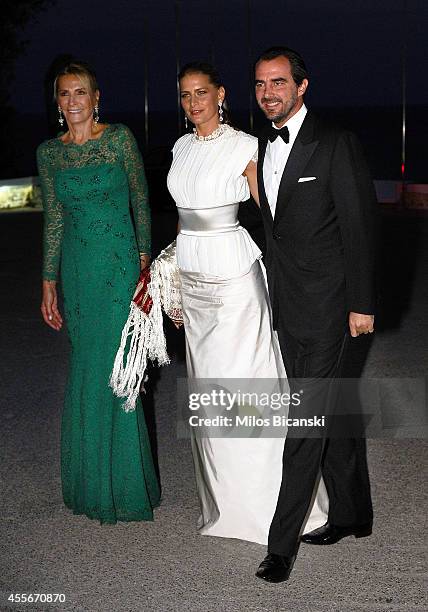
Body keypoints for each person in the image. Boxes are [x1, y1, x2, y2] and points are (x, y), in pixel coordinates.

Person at [167, 61, 328, 544]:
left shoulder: (244, 145)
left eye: (201, 93)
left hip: (235, 278)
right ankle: (228, 506)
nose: (193, 102)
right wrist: (171, 278)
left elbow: (276, 208)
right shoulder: (179, 147)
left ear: (220, 94)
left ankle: (274, 507)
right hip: (192, 274)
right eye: (184, 95)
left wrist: (314, 259)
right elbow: (182, 220)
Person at [253, 46, 376, 582]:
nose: (268, 93)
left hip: (330, 306)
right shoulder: (262, 145)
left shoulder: (335, 143)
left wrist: (362, 303)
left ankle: (281, 547)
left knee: (303, 419)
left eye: (278, 82)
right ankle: (352, 515)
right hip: (289, 303)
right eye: (260, 84)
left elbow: (359, 227)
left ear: (302, 87)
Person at [37, 60, 160, 523]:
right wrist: (49, 280)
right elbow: (54, 219)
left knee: (119, 365)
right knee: (87, 366)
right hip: (79, 271)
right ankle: (91, 482)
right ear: (58, 101)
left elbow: (140, 200)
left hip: (119, 265)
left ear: (96, 98)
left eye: (80, 93)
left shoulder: (119, 139)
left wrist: (145, 263)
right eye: (65, 94)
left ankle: (127, 485)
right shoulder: (50, 153)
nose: (72, 102)